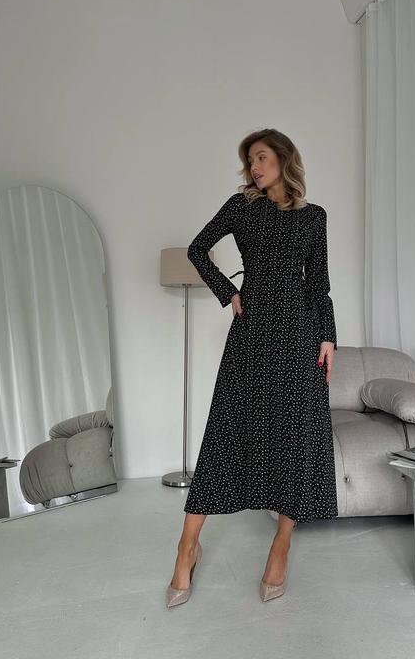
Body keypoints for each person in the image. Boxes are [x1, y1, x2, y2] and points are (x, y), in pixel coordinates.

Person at [166, 128, 338, 607]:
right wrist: (229, 293)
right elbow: (197, 248)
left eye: (261, 158)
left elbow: (319, 284)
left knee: (294, 434)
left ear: (283, 158)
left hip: (301, 335)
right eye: (250, 161)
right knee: (226, 429)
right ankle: (186, 546)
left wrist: (328, 336)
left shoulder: (314, 217)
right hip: (253, 331)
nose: (254, 168)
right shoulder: (241, 207)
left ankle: (281, 543)